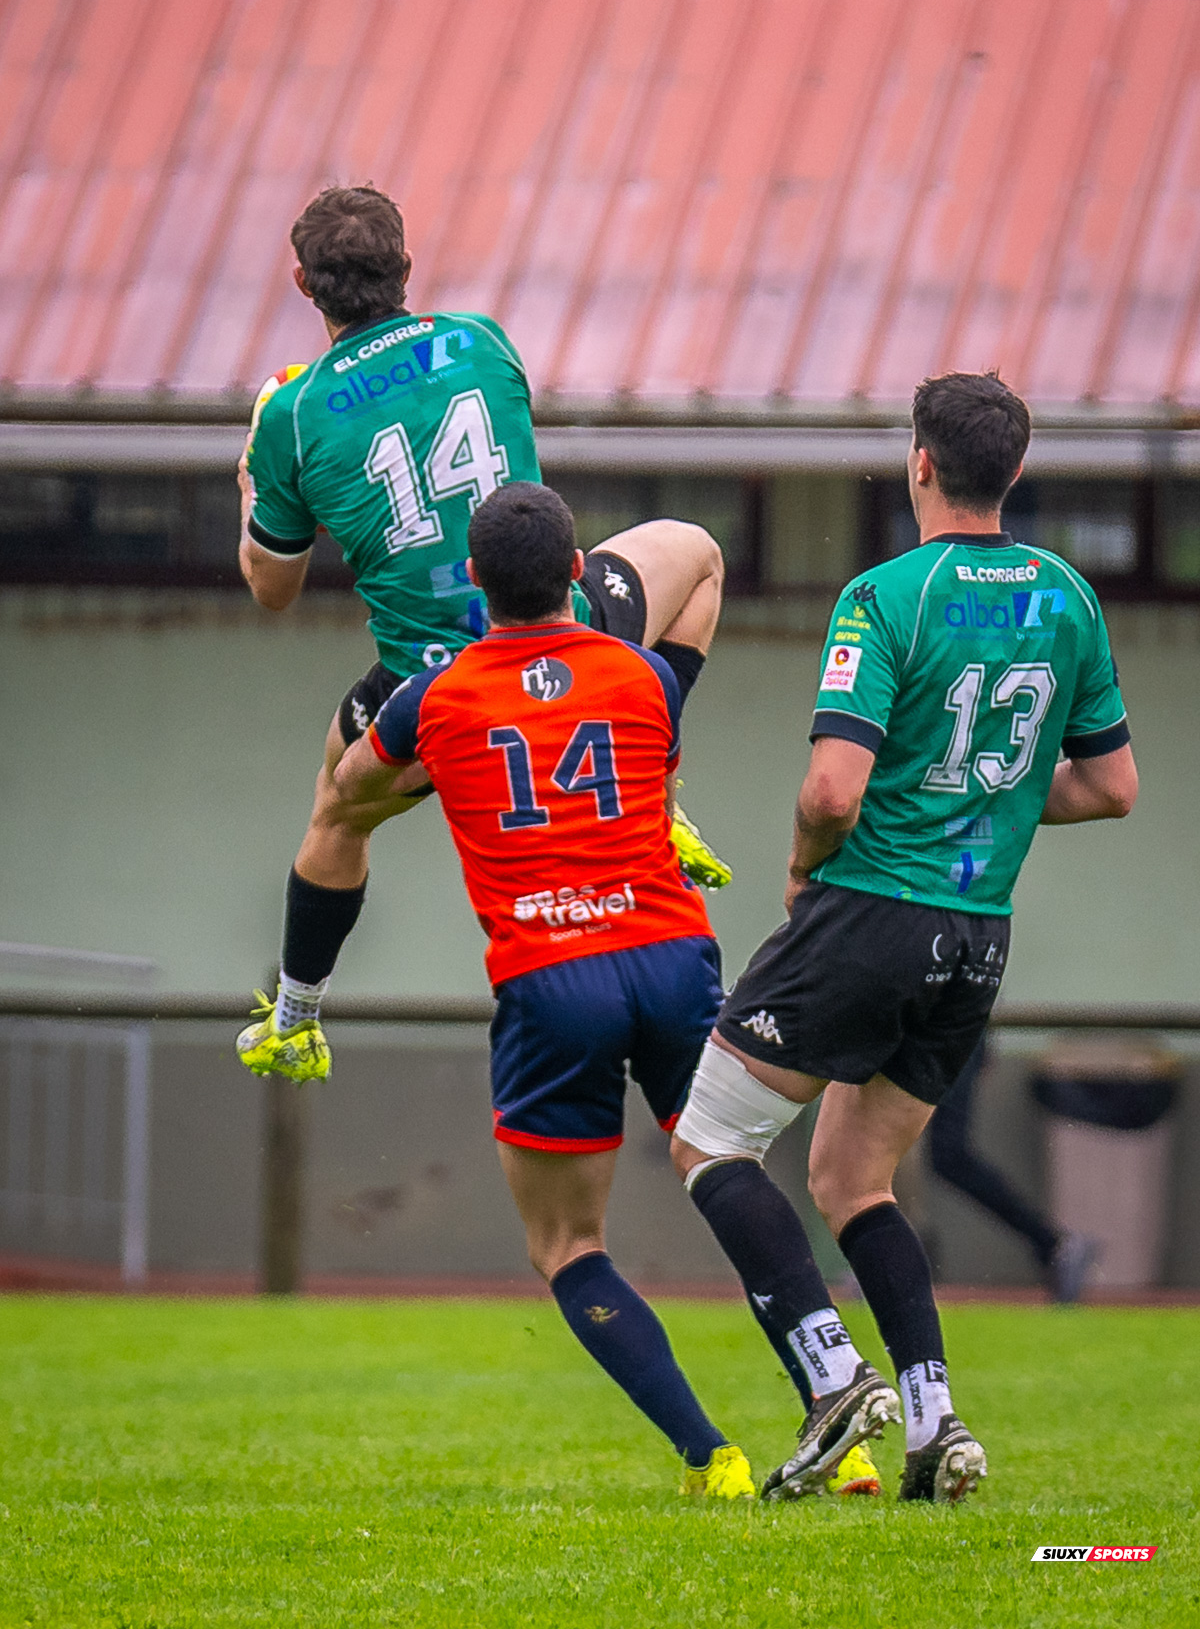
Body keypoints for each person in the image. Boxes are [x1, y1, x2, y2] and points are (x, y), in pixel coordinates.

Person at [668, 370, 1138, 1504]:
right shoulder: (1069, 596)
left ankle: (834, 1380)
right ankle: (935, 1424)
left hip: (872, 909)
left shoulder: (887, 596)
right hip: (977, 941)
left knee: (711, 1143)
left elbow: (833, 790)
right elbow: (1113, 786)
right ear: (1015, 472)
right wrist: (1000, 808)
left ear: (919, 462)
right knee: (850, 1176)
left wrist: (799, 869)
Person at [234, 185, 729, 1084]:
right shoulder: (480, 340)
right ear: (406, 270)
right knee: (695, 557)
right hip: (569, 646)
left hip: (436, 697)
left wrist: (249, 482)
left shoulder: (292, 415)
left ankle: (298, 1015)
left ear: (302, 283)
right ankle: (655, 773)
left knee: (336, 814)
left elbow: (274, 588)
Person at [328, 480, 750, 1497]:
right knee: (733, 1184)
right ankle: (843, 1412)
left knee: (566, 1245)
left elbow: (348, 795)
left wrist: (415, 763)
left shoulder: (437, 697)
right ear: (576, 573)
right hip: (669, 951)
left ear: (473, 581)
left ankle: (714, 1457)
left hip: (549, 976)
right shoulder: (646, 680)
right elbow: (692, 568)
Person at [928, 1036, 1099, 1302]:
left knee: (947, 1154)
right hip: (920, 1031)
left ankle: (1053, 1243)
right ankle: (878, 1260)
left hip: (941, 1031)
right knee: (919, 1153)